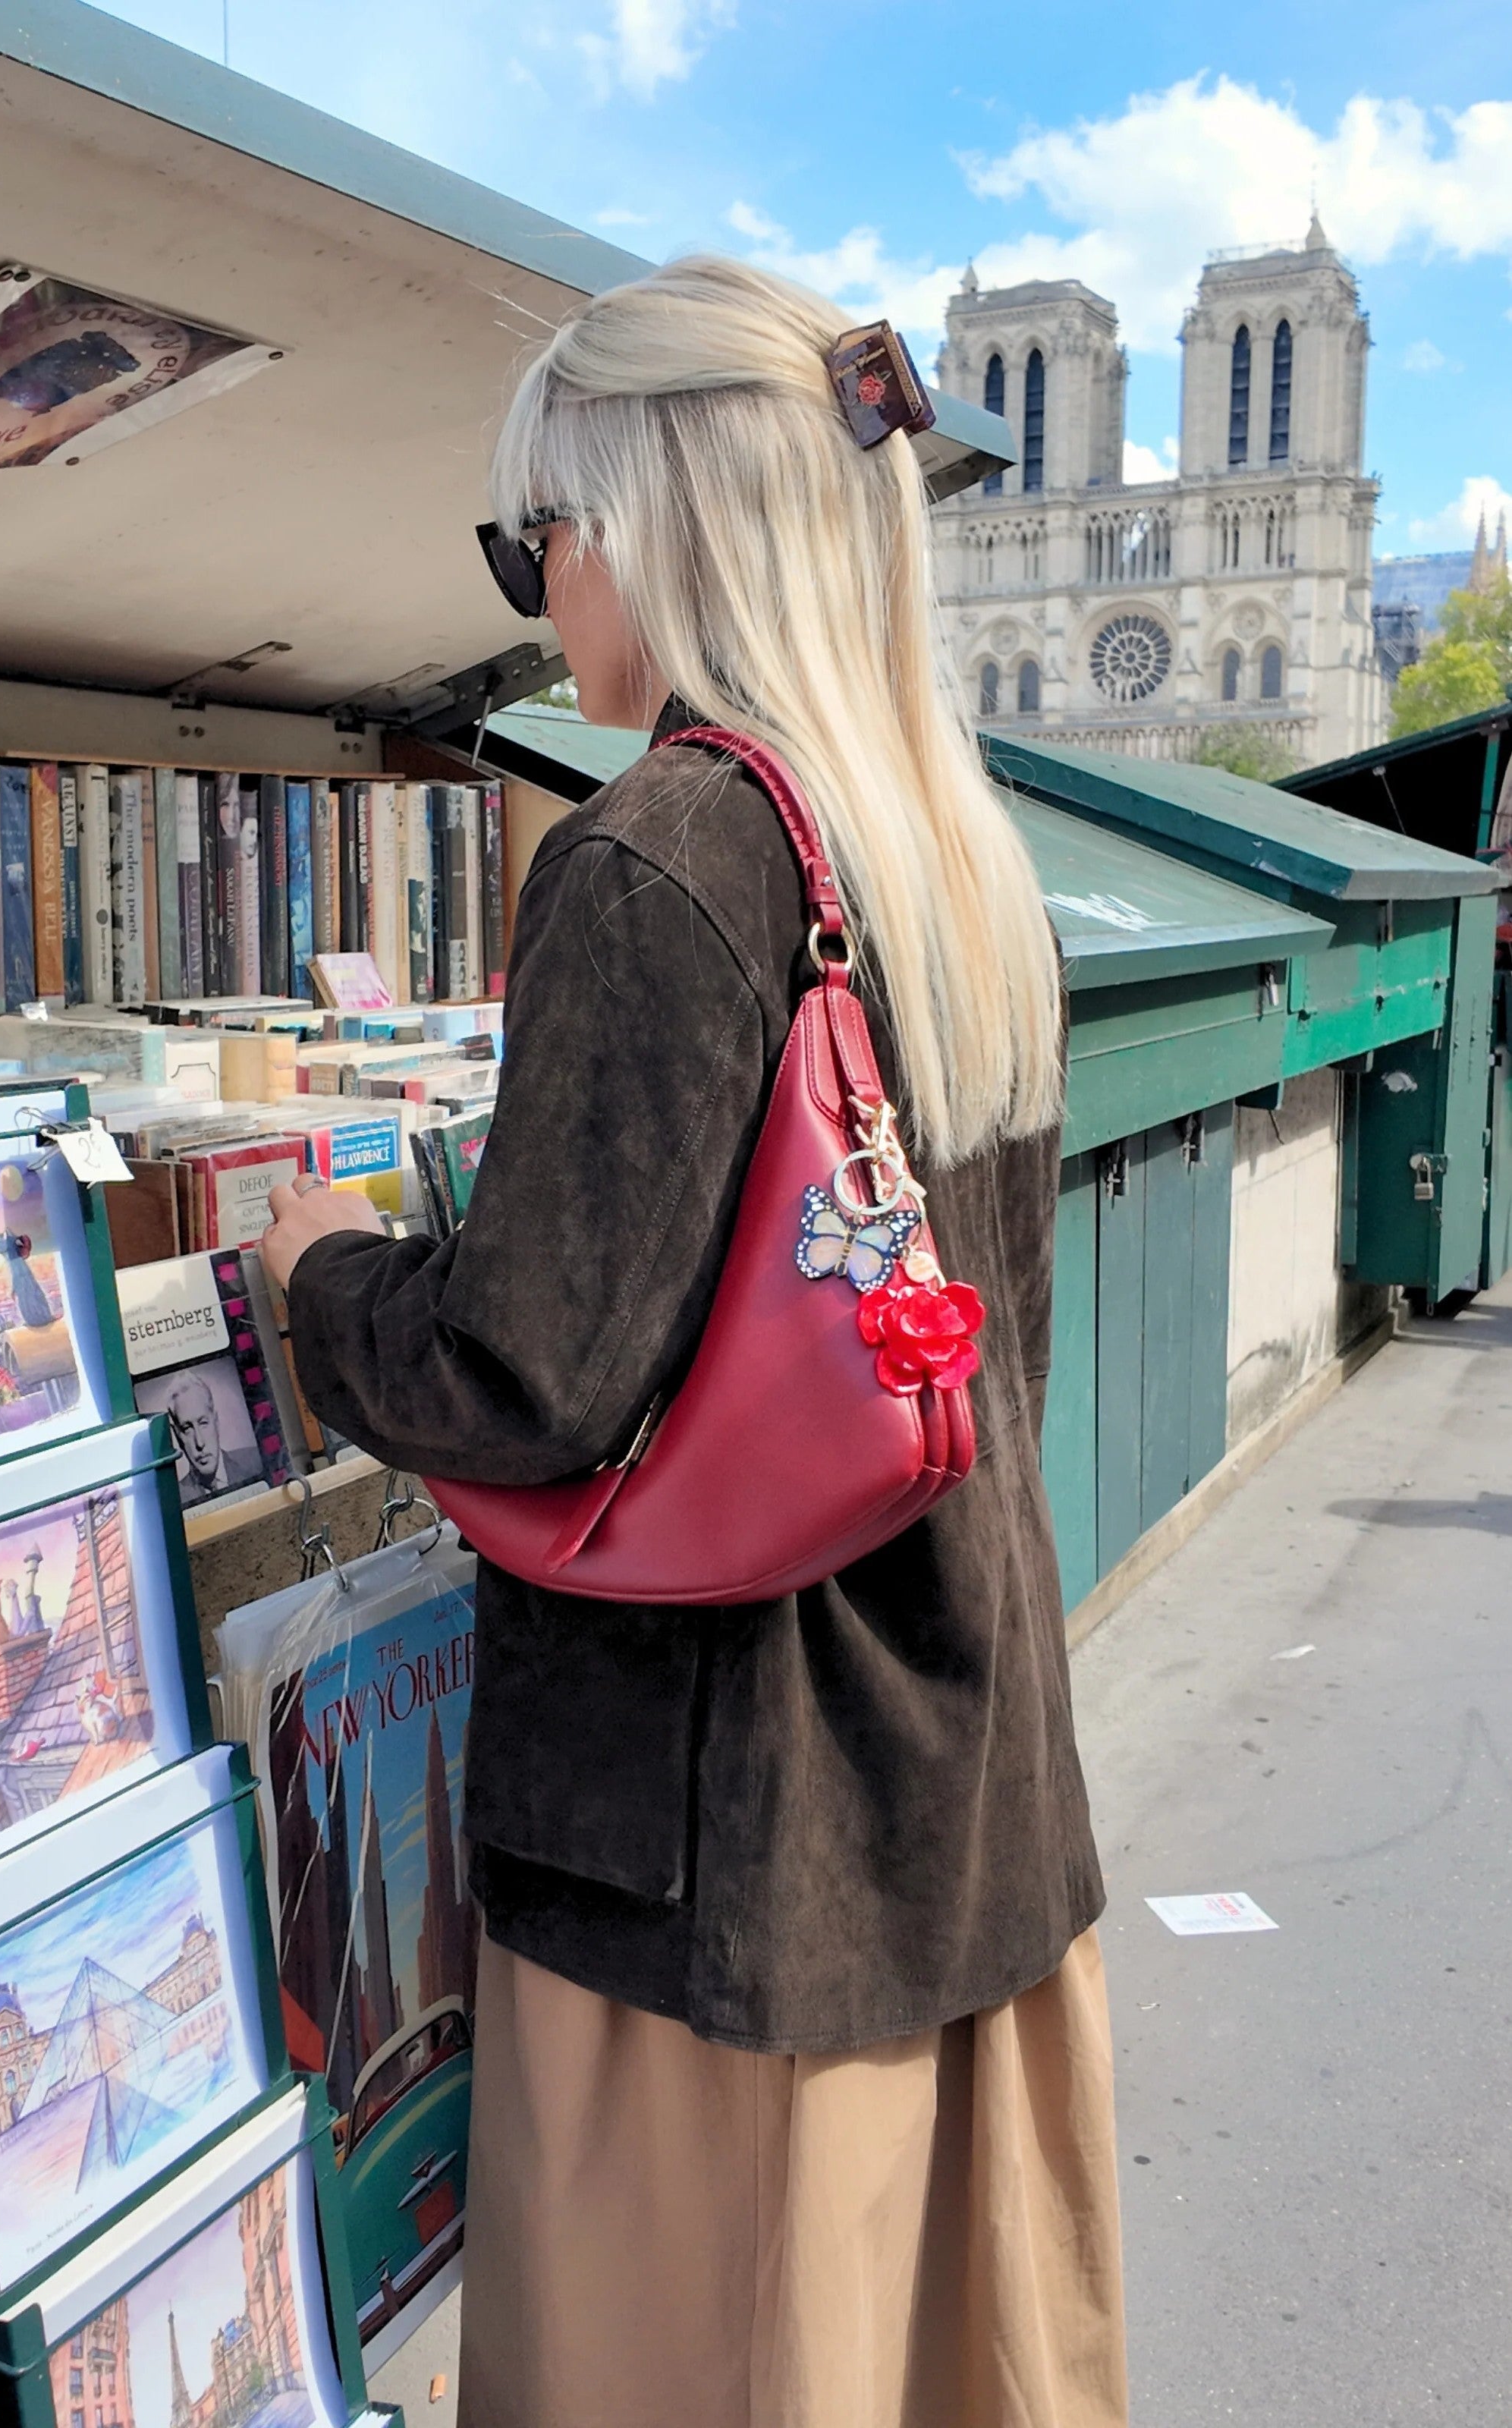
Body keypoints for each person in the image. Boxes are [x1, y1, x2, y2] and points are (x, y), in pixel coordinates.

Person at [261, 254, 1127, 2428]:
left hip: (717, 1870)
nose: (539, 596)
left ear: (642, 518)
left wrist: (317, 1276)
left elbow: (525, 1381)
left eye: (530, 536)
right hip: (956, 1802)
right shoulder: (945, 843)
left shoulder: (665, 851)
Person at [159, 1368, 262, 1505]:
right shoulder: (174, 1500)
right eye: (187, 1428)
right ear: (177, 1436)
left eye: (203, 1423)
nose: (200, 1443)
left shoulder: (255, 1461)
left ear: (216, 1421)